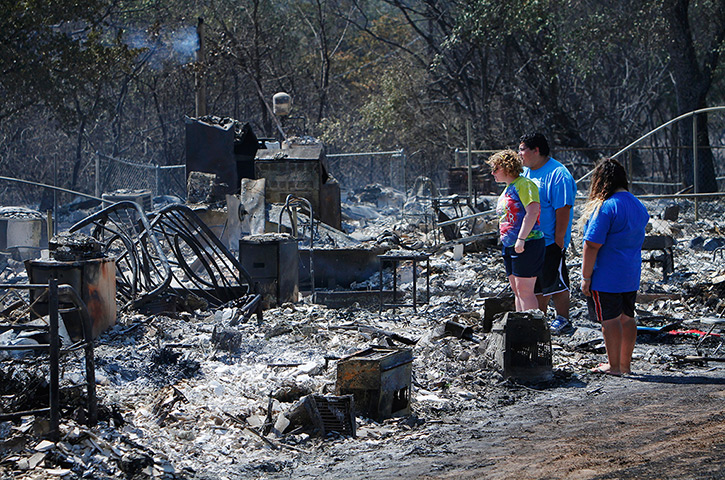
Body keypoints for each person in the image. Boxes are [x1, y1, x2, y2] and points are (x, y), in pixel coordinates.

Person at [580, 158, 649, 376]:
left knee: (609, 321)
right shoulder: (638, 205)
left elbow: (591, 245)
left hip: (606, 276)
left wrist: (585, 277)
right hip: (630, 274)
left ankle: (614, 366)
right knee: (627, 318)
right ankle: (625, 365)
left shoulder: (606, 207)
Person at [519, 133, 577, 334]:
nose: (520, 154)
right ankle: (540, 320)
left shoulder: (558, 174)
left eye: (523, 149)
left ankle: (563, 318)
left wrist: (559, 240)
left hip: (550, 241)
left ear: (536, 150)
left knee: (555, 282)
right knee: (536, 285)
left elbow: (563, 209)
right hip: (530, 241)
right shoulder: (525, 173)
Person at [487, 149, 546, 312]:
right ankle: (520, 325)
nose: (493, 173)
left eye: (495, 169)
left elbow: (533, 211)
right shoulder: (507, 189)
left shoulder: (524, 184)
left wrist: (521, 239)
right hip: (509, 245)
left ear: (507, 167)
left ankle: (532, 330)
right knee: (517, 290)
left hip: (527, 243)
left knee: (525, 291)